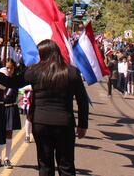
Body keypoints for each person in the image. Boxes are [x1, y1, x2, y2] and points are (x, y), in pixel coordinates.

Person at [23, 39, 89, 176]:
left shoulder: (35, 71)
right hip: (64, 123)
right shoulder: (72, 72)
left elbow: (14, 81)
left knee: (45, 165)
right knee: (66, 165)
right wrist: (83, 125)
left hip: (40, 123)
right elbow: (82, 101)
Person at [0, 59, 22, 168]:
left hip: (11, 107)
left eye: (11, 68)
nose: (9, 70)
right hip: (0, 109)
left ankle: (7, 157)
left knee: (9, 133)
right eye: (7, 68)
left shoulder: (15, 80)